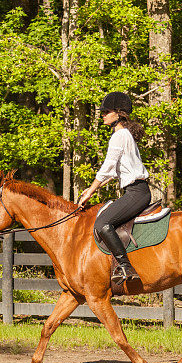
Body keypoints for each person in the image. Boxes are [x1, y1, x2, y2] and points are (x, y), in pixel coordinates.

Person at [75, 91, 152, 286]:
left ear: (118, 113)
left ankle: (125, 266)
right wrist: (92, 188)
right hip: (135, 191)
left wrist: (91, 190)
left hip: (137, 192)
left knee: (102, 224)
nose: (102, 114)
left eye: (106, 111)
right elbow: (112, 173)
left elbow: (107, 167)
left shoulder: (120, 136)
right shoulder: (122, 135)